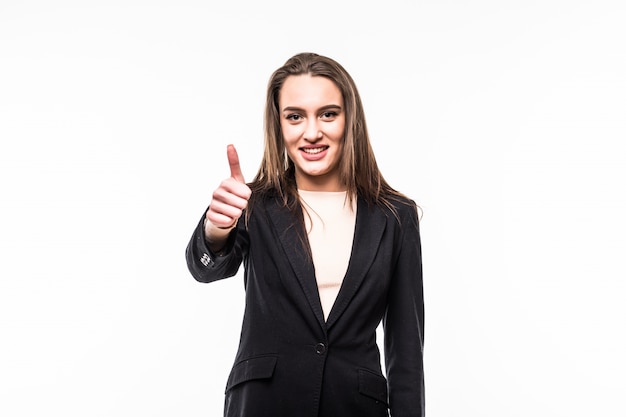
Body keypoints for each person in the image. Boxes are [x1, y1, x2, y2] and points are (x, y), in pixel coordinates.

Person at [185, 52, 424, 417]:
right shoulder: (253, 204)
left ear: (350, 119)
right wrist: (216, 230)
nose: (312, 132)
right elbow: (206, 269)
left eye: (328, 114)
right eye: (295, 117)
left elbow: (406, 350)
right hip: (264, 404)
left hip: (355, 407)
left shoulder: (395, 216)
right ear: (278, 124)